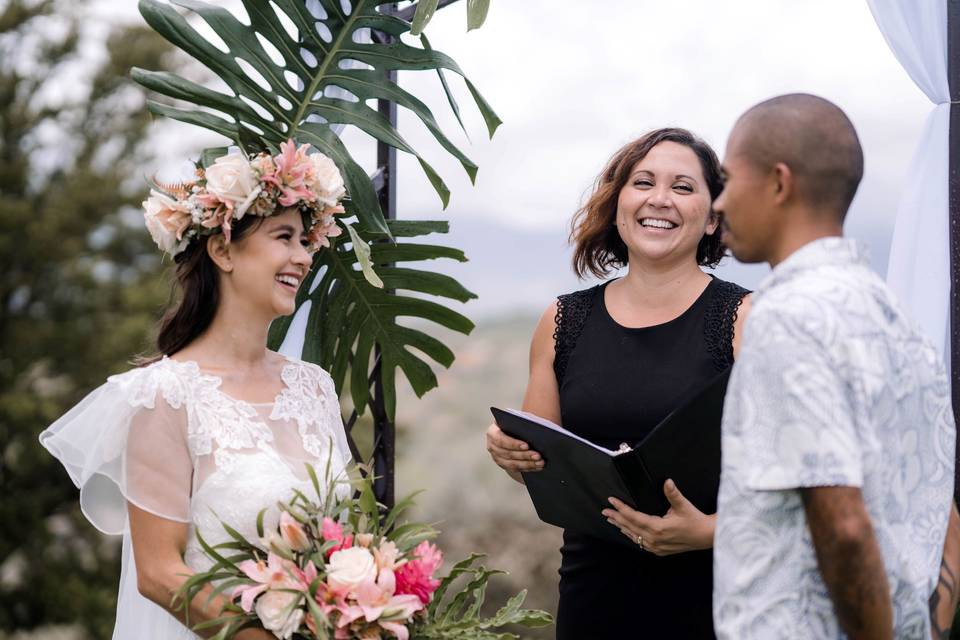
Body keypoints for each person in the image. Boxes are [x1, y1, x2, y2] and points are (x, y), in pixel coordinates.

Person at [39, 142, 354, 639]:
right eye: (284, 236)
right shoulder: (165, 395)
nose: (303, 256)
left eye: (305, 241)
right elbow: (161, 574)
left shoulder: (313, 387)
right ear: (223, 249)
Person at [711, 93, 960, 640]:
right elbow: (944, 512)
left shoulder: (788, 318)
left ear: (779, 183)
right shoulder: (897, 318)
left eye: (727, 180)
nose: (718, 202)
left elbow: (844, 525)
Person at [485, 127, 750, 638]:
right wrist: (508, 452)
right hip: (593, 600)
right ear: (618, 203)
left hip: (719, 601)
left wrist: (708, 533)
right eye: (643, 182)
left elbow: (799, 486)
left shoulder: (746, 319)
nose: (659, 199)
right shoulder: (562, 320)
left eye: (683, 187)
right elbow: (540, 466)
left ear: (714, 215)